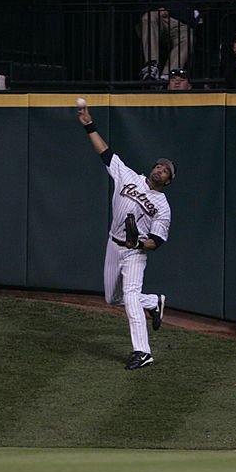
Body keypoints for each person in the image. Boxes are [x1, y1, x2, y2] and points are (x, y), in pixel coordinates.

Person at [76, 104, 174, 370]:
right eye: (159, 166)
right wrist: (88, 125)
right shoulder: (128, 176)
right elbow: (105, 153)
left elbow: (157, 242)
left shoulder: (162, 206)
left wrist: (139, 244)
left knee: (130, 296)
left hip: (134, 254)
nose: (160, 170)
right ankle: (154, 302)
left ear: (167, 181)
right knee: (112, 299)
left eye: (165, 171)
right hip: (113, 244)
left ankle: (143, 352)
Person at [139, 0, 218, 81]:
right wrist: (158, 8)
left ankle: (168, 75)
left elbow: (211, 5)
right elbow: (143, 2)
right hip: (162, 21)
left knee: (188, 38)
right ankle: (151, 66)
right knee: (148, 17)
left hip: (183, 25)